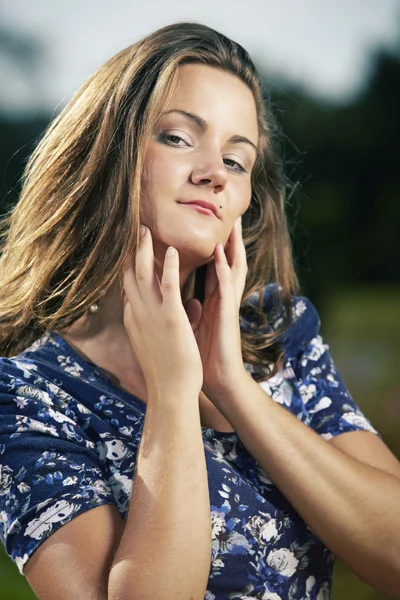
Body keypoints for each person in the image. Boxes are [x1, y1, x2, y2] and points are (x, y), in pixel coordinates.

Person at [0, 21, 399, 600]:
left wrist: (233, 385)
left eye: (237, 161)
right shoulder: (27, 396)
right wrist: (173, 395)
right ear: (108, 151)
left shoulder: (279, 336)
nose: (214, 173)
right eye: (179, 138)